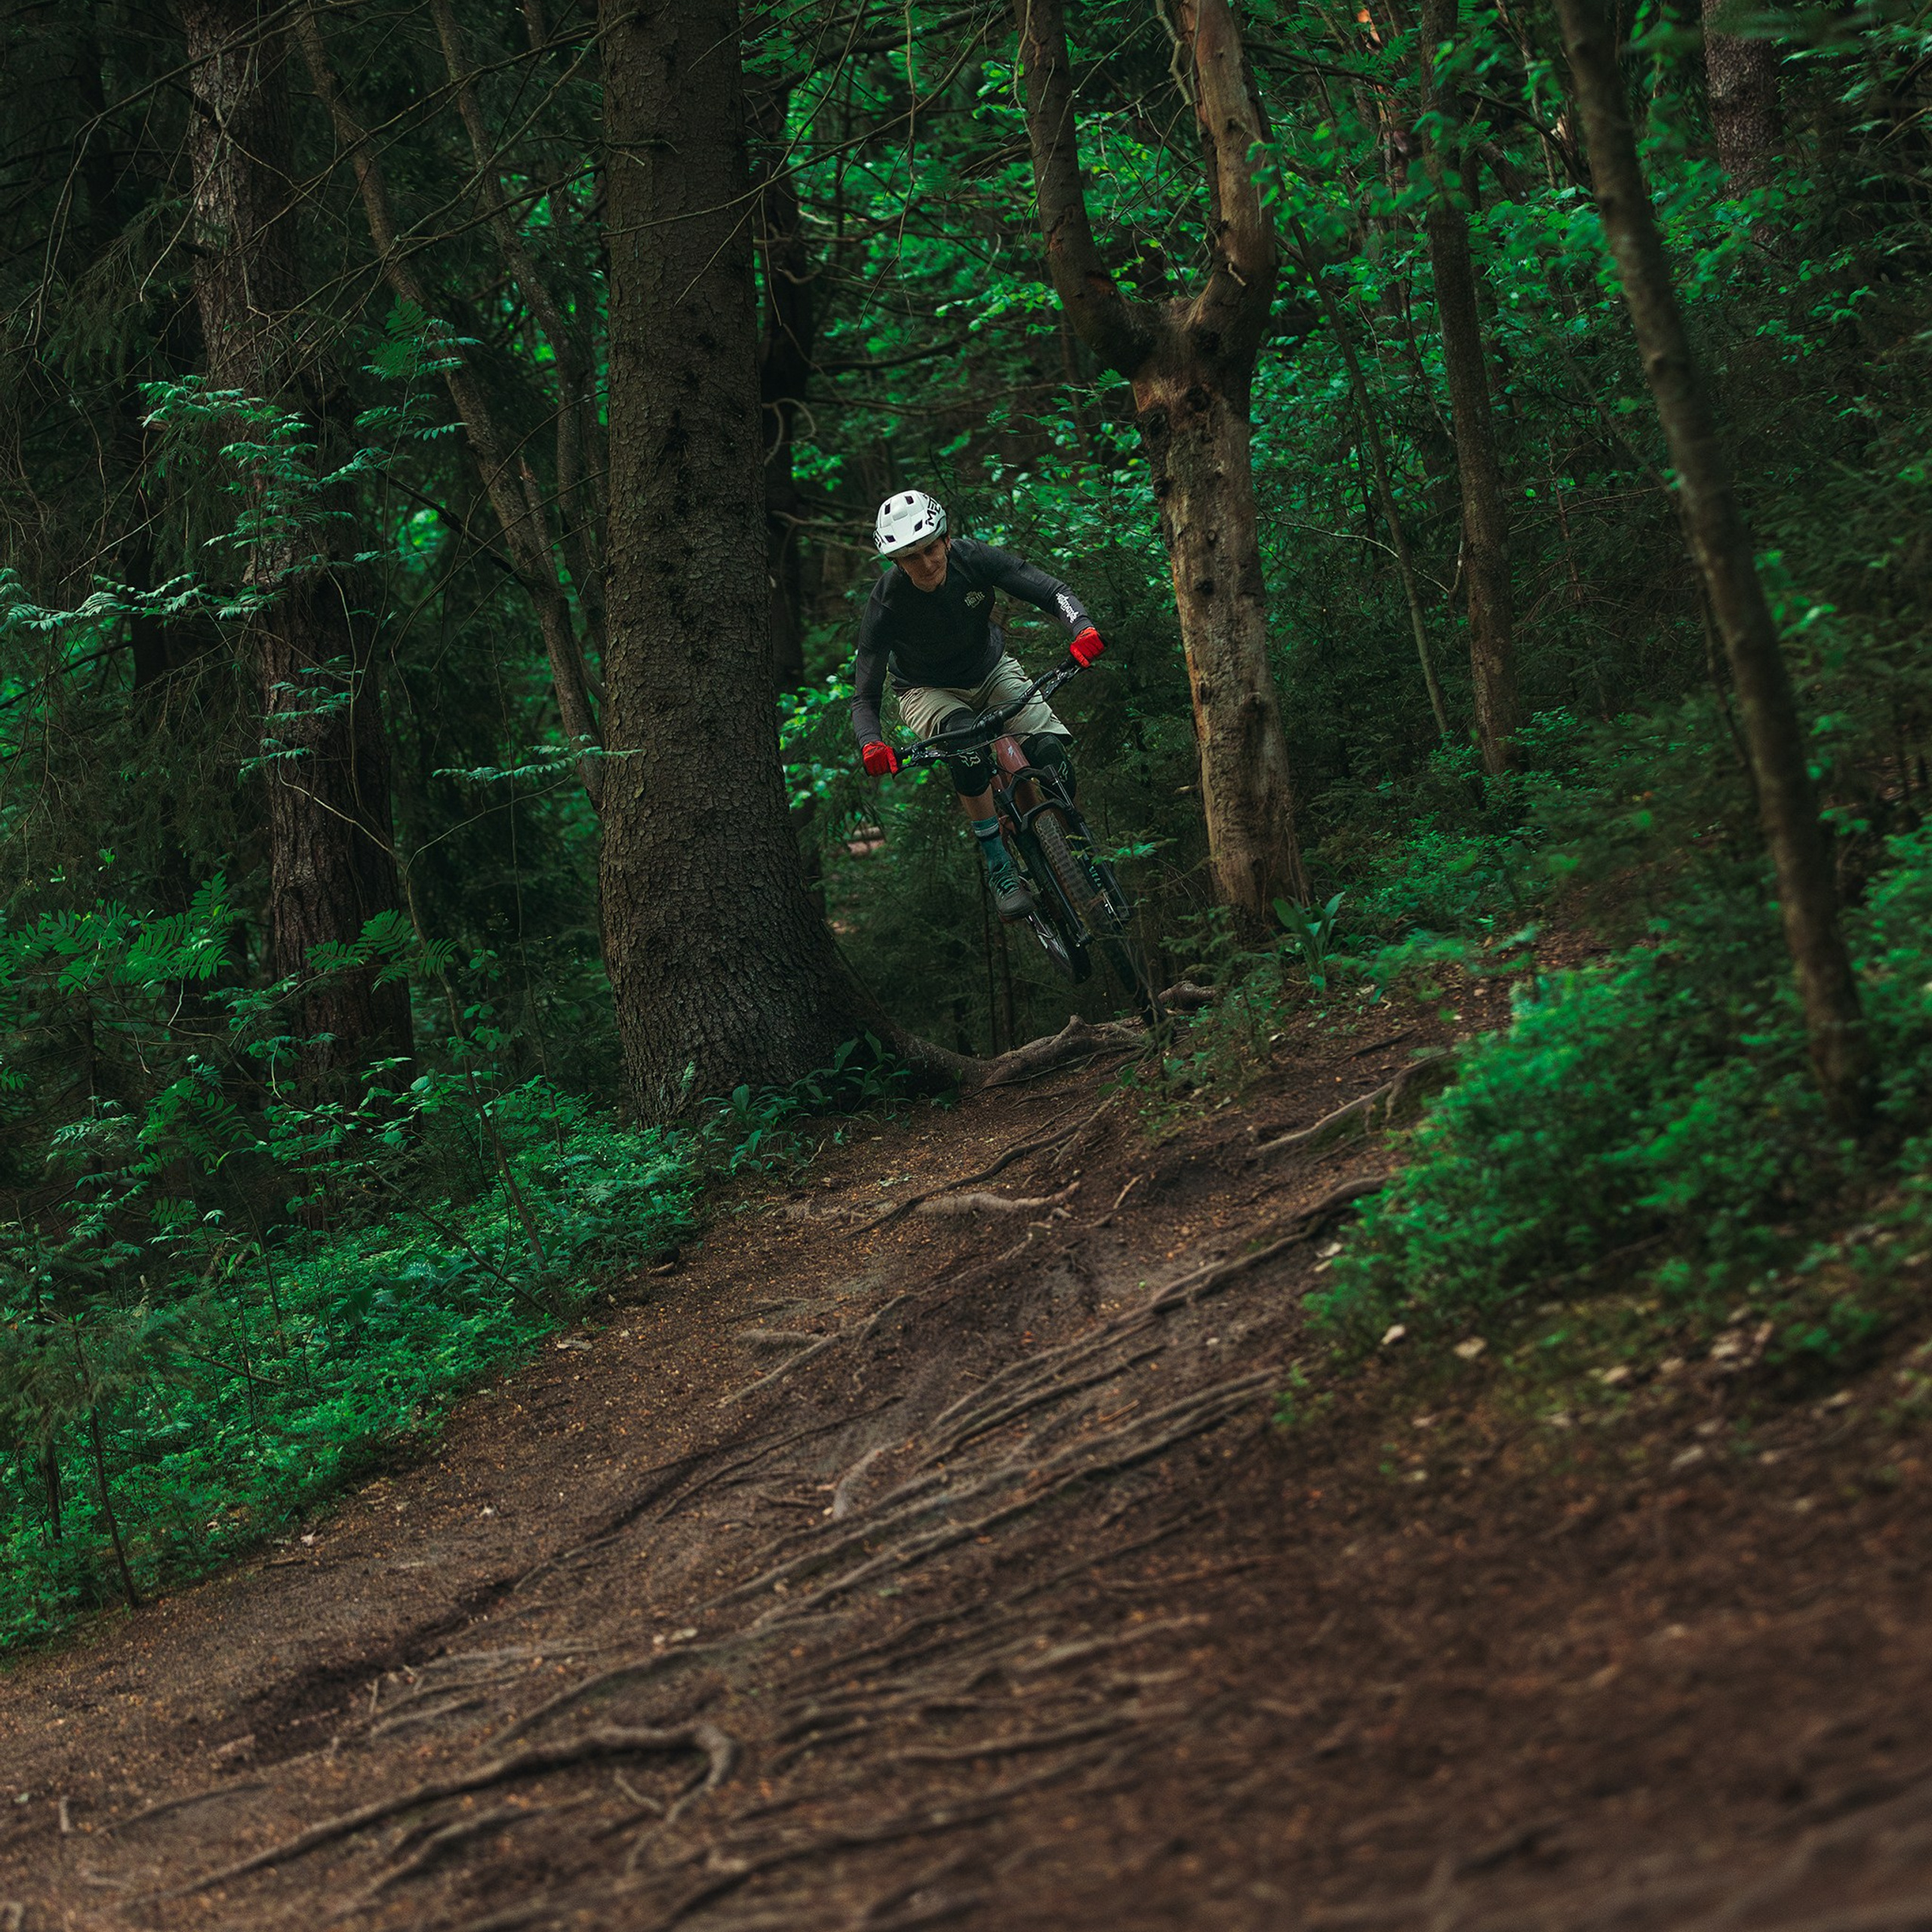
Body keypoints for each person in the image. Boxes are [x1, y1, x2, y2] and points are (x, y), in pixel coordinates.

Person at [851, 490, 1105, 920]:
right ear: (896, 562)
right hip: (926, 690)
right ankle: (999, 863)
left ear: (946, 539)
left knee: (1050, 755)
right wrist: (871, 743)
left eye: (931, 549)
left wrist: (1081, 626)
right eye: (912, 558)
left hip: (991, 668)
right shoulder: (886, 603)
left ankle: (1077, 848)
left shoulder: (975, 559)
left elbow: (1050, 590)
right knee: (967, 748)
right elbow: (865, 692)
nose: (926, 564)